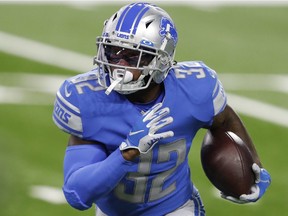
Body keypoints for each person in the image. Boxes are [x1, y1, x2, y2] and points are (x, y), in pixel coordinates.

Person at [52, 2, 271, 216]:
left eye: (131, 56)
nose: (119, 65)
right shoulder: (87, 99)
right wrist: (126, 153)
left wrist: (254, 165)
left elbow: (224, 119)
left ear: (160, 59)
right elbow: (77, 194)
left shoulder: (195, 88)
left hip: (176, 208)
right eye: (112, 52)